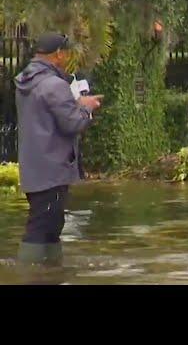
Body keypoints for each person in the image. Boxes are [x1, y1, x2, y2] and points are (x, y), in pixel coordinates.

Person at [14, 32, 103, 265]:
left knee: (51, 224)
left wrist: (75, 104)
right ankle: (28, 273)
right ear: (59, 55)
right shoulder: (55, 84)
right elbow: (73, 123)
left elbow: (47, 111)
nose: (66, 58)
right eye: (65, 54)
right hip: (52, 168)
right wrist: (88, 109)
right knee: (42, 226)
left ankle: (51, 272)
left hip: (34, 166)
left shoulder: (27, 80)